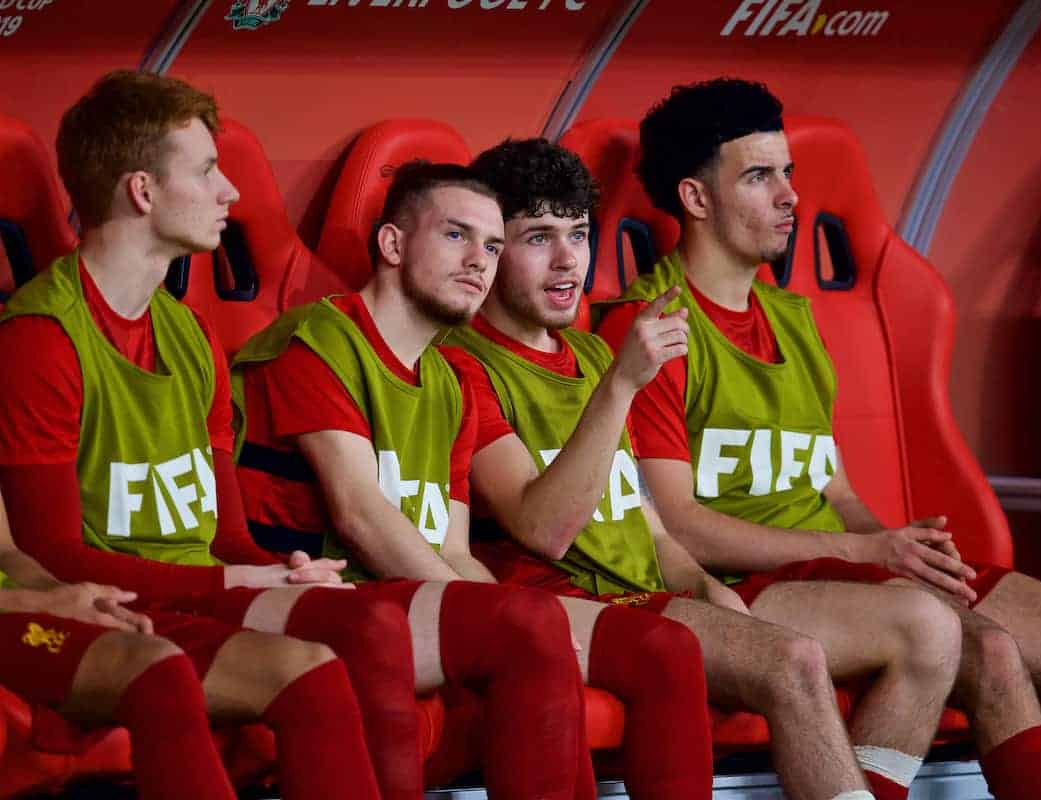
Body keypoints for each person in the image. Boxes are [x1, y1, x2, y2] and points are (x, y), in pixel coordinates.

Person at [596, 77, 1041, 800]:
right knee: (990, 652)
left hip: (841, 567)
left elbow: (836, 488)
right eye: (759, 176)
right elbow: (682, 527)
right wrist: (866, 554)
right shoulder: (648, 329)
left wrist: (902, 552)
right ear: (695, 199)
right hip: (737, 590)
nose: (790, 196)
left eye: (788, 172)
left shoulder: (792, 317)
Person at [0, 70, 585, 800]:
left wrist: (283, 570)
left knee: (366, 626)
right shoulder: (42, 337)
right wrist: (234, 577)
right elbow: (48, 551)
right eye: (208, 170)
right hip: (122, 595)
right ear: (143, 192)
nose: (231, 193)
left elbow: (226, 534)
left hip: (196, 587)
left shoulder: (189, 336)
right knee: (215, 666)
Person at [439, 136, 963, 800]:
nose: (569, 261)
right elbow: (543, 529)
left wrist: (705, 585)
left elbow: (649, 525)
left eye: (578, 234)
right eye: (538, 238)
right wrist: (622, 388)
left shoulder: (592, 354)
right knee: (791, 659)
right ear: (488, 250)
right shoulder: (464, 365)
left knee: (928, 628)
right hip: (568, 599)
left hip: (651, 587)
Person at [232, 159, 716, 800]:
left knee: (561, 633)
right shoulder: (318, 341)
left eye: (491, 245)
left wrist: (517, 617)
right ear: (394, 244)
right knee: (528, 631)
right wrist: (500, 619)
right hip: (316, 596)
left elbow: (454, 549)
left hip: (410, 604)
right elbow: (360, 517)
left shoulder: (451, 379)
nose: (478, 262)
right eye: (456, 236)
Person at [0, 489, 381, 800]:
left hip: (29, 603)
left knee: (311, 672)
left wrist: (70, 595)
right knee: (156, 669)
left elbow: (8, 552)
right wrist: (36, 603)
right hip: (13, 612)